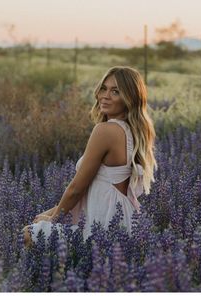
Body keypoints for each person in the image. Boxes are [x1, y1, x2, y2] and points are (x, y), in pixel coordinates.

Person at [23, 66, 157, 247]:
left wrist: (52, 219)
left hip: (102, 225)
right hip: (122, 222)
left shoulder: (106, 130)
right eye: (104, 88)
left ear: (129, 98)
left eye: (115, 91)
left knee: (27, 235)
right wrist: (50, 212)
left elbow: (77, 188)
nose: (105, 95)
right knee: (38, 226)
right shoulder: (131, 130)